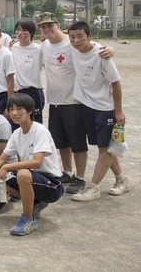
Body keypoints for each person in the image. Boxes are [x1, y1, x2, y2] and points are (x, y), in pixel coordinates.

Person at [36, 12, 114, 194]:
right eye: (43, 26)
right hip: (54, 100)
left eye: (50, 25)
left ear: (58, 24)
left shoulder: (71, 43)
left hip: (74, 101)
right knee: (61, 141)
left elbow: (94, 47)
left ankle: (80, 177)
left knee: (78, 142)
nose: (47, 29)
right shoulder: (44, 45)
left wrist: (111, 48)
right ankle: (67, 172)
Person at [0, 93, 64, 236]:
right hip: (34, 179)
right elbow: (1, 159)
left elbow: (37, 162)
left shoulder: (40, 131)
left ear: (29, 111)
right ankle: (36, 204)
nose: (14, 113)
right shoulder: (17, 134)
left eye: (19, 109)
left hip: (52, 184)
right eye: (11, 109)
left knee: (23, 173)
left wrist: (7, 166)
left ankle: (28, 219)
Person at [67, 21, 130, 201]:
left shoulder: (102, 54)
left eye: (81, 36)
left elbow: (116, 84)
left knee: (105, 149)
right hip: (87, 105)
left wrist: (118, 111)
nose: (76, 40)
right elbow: (62, 33)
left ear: (90, 36)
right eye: (73, 37)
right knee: (105, 147)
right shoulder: (73, 48)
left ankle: (93, 187)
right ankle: (121, 179)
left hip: (105, 107)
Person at [11, 19, 45, 123]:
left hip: (33, 91)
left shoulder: (38, 50)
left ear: (31, 33)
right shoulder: (12, 47)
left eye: (24, 31)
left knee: (34, 123)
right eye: (18, 30)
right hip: (17, 92)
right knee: (17, 124)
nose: (20, 33)